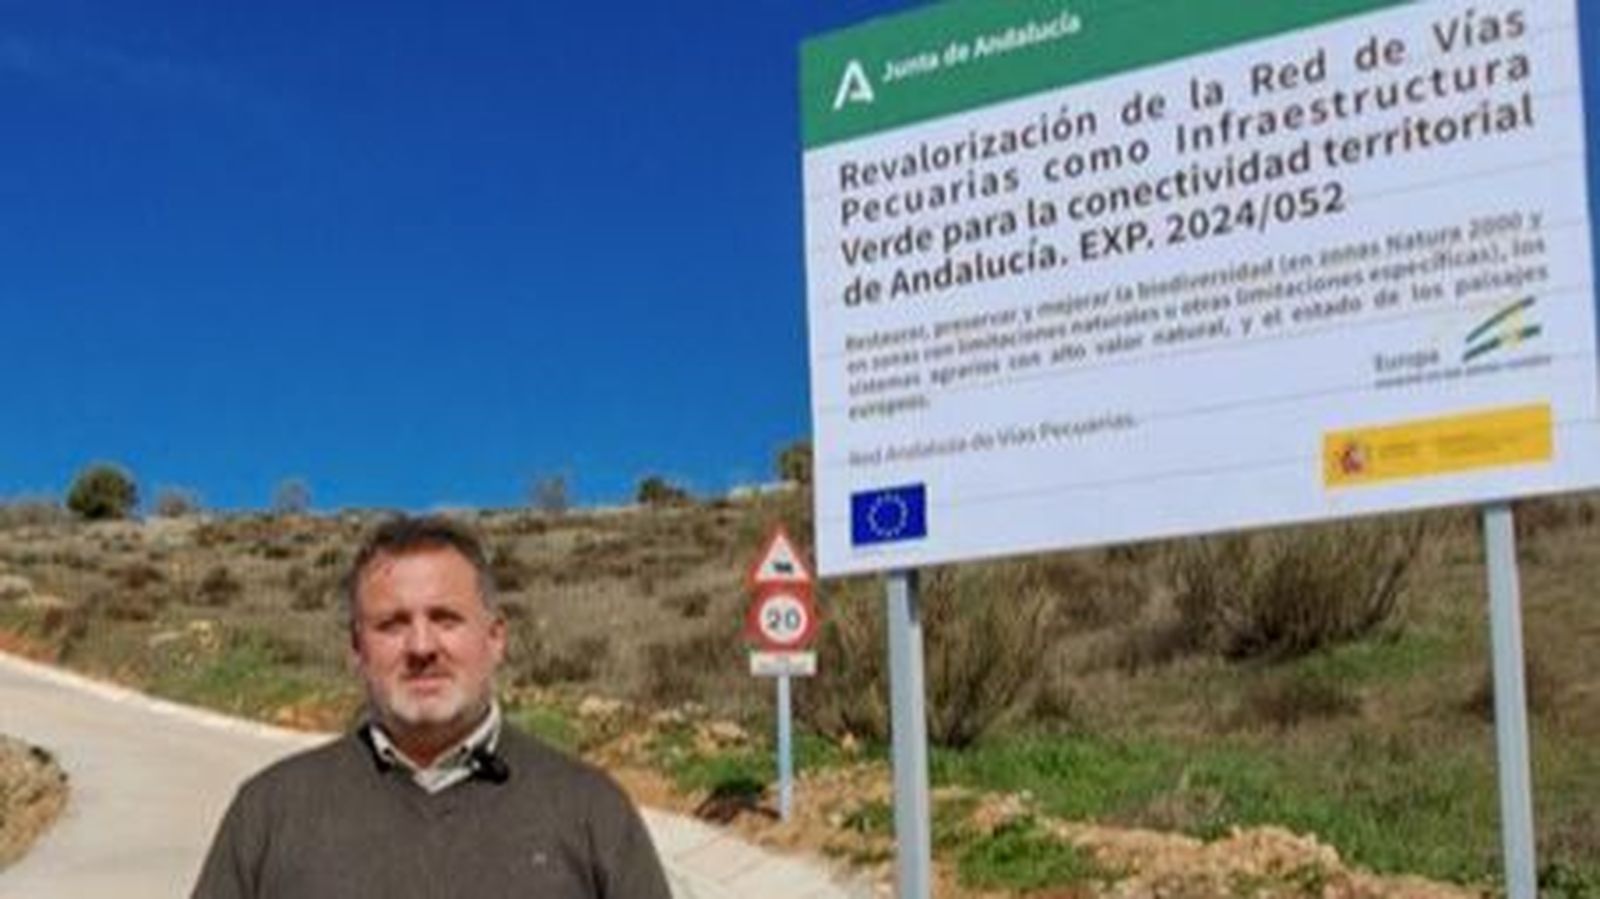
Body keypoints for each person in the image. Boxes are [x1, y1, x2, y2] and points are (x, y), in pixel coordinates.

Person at [193, 515, 672, 899]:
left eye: (445, 618)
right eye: (392, 624)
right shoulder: (270, 813)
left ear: (495, 637)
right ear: (357, 649)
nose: (421, 647)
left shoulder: (590, 811)